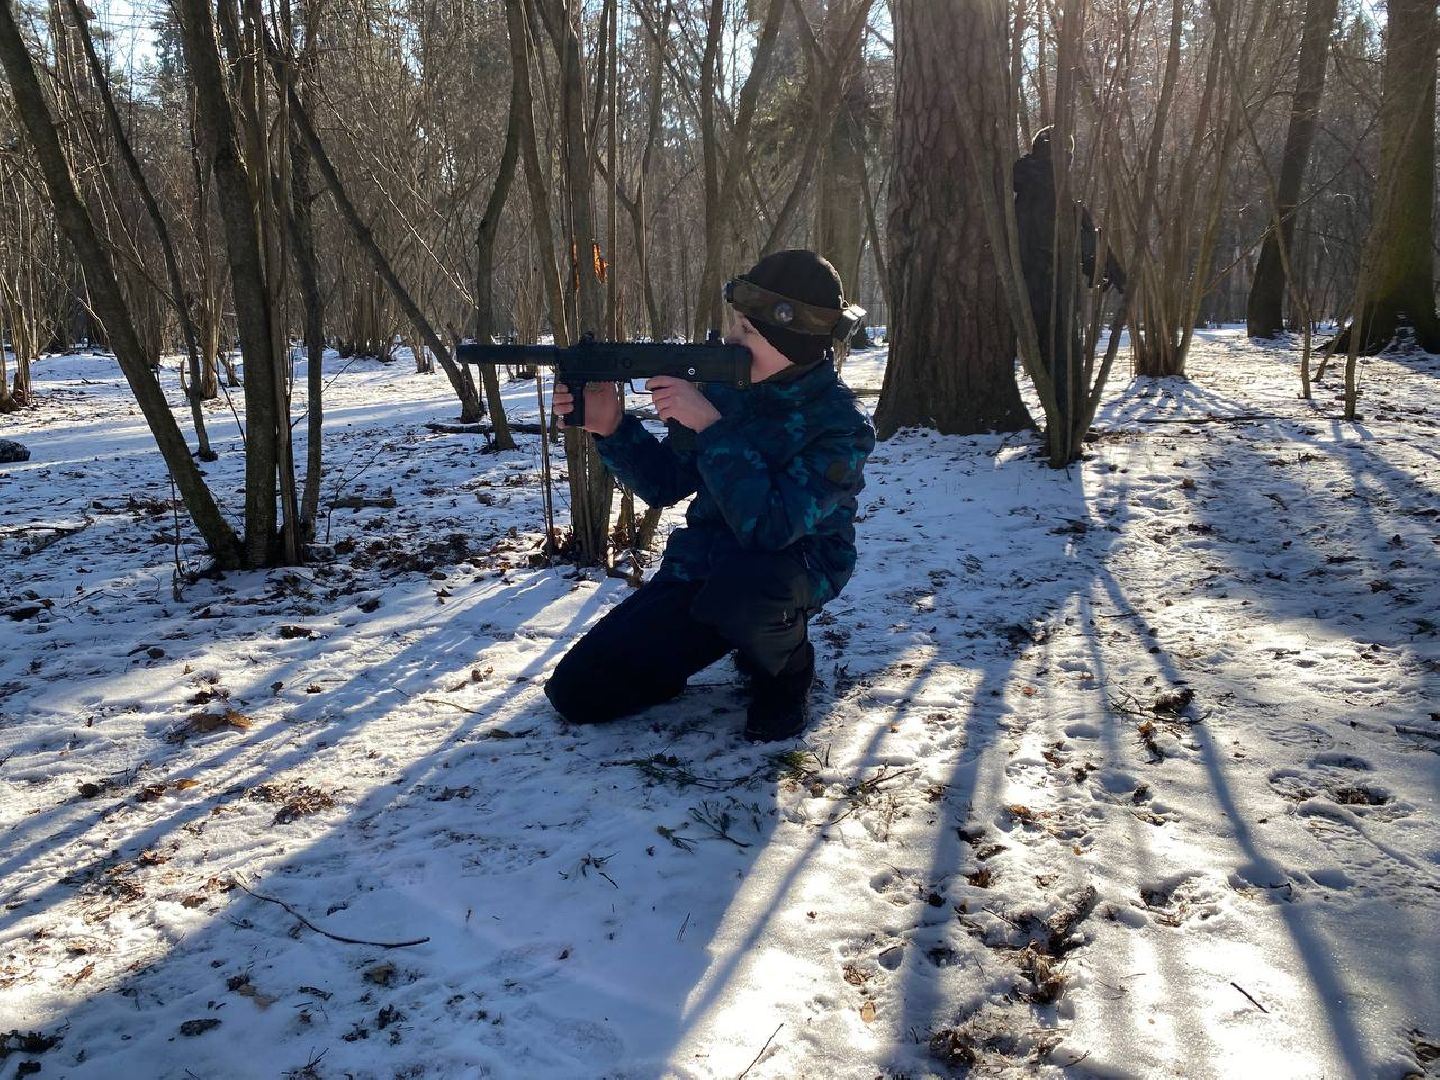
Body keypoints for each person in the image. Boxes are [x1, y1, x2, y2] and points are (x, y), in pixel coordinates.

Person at [543, 249, 875, 742]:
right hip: (704, 566)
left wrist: (712, 428)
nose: (732, 338)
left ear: (794, 342)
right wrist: (612, 427)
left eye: (748, 331)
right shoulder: (723, 390)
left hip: (792, 566)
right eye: (736, 324)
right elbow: (665, 484)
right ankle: (729, 638)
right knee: (578, 692)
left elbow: (773, 529)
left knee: (748, 597)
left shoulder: (841, 425)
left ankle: (786, 670)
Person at [1013, 128, 1126, 446]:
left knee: (1058, 359)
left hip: (1041, 288)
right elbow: (1069, 239)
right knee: (1061, 359)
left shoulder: (1033, 188)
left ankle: (1067, 423)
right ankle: (1064, 426)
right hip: (1048, 289)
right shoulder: (1046, 193)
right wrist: (1107, 269)